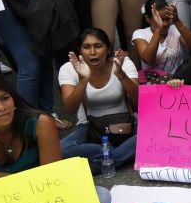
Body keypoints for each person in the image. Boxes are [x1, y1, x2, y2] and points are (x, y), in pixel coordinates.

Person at [59, 28, 138, 175]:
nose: (92, 52)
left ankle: (99, 163)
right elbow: (70, 108)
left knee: (151, 135)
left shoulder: (122, 63)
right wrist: (83, 80)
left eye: (98, 46)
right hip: (90, 127)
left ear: (108, 49)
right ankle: (116, 155)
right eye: (86, 47)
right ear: (80, 51)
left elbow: (138, 99)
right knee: (62, 150)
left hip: (124, 124)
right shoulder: (69, 68)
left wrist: (120, 73)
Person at [131, 0, 191, 81]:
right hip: (153, 85)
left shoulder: (176, 30)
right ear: (147, 19)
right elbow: (148, 60)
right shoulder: (140, 34)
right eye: (160, 19)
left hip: (178, 81)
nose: (164, 24)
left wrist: (177, 21)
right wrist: (158, 29)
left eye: (167, 19)